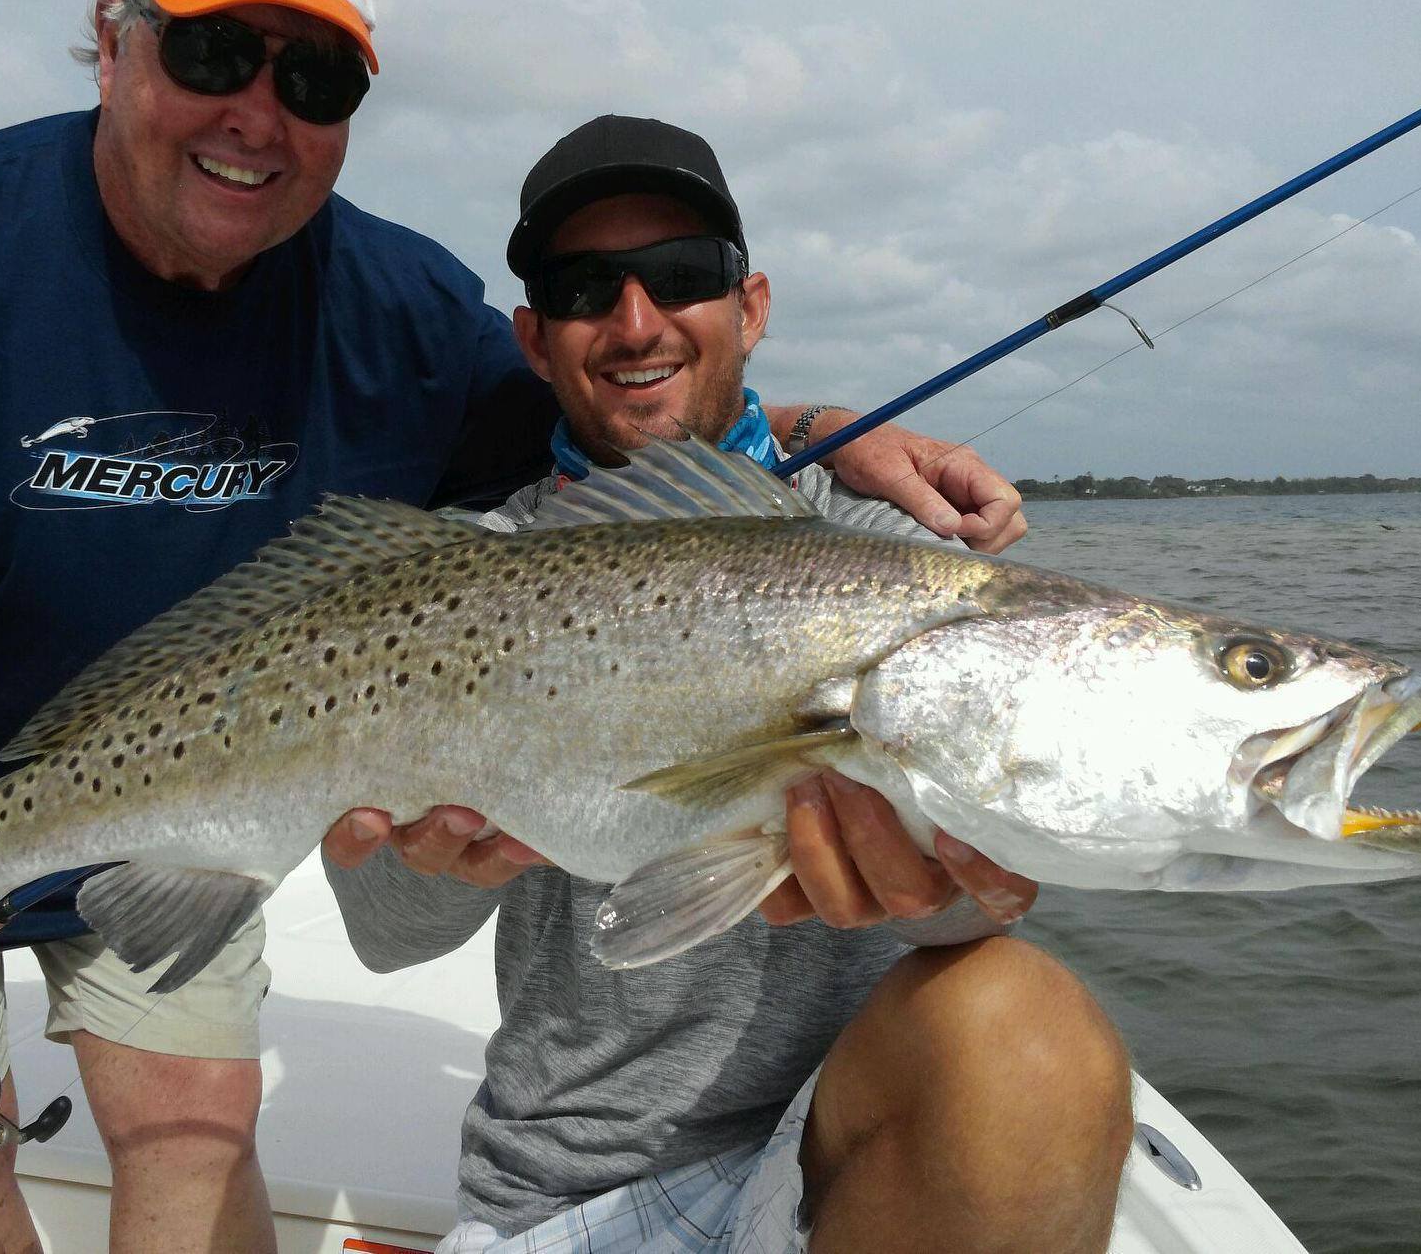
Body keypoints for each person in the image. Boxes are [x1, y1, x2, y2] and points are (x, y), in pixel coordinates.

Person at [0, 0, 1028, 1254]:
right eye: (214, 48)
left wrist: (816, 428)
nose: (258, 113)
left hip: (193, 790)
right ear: (112, 41)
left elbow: (627, 406)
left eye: (314, 79)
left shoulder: (398, 308)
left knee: (194, 1125)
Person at [323, 117, 1132, 1254]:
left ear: (749, 307)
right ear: (533, 338)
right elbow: (381, 932)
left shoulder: (897, 555)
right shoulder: (457, 577)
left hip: (856, 1158)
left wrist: (942, 879)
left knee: (1032, 1025)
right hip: (567, 1187)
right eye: (584, 286)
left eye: (682, 275)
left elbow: (986, 902)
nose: (637, 319)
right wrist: (436, 857)